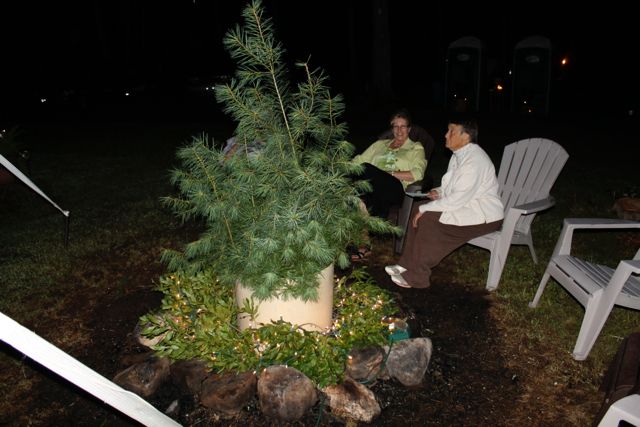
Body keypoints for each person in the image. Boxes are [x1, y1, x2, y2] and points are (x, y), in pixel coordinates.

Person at [384, 116, 504, 289]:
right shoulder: (460, 154)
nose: (446, 135)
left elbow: (457, 199)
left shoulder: (474, 162)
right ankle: (406, 263)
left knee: (428, 218)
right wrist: (439, 192)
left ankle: (417, 276)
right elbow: (455, 186)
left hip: (484, 217)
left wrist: (427, 208)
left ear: (465, 136)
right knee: (416, 208)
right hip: (467, 205)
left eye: (451, 132)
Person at [352, 109, 427, 218]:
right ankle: (366, 212)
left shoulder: (416, 148)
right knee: (357, 171)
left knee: (366, 168)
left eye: (403, 126)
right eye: (396, 126)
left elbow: (417, 173)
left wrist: (389, 173)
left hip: (396, 188)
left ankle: (360, 202)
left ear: (409, 129)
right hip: (373, 185)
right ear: (392, 129)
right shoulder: (379, 144)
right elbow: (359, 160)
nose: (399, 130)